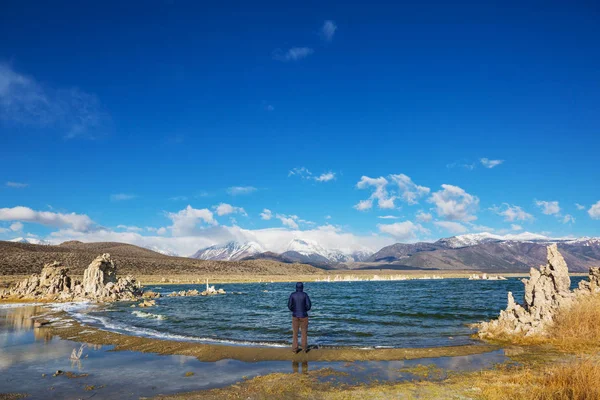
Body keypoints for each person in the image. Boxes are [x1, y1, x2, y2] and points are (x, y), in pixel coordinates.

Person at [287, 282, 312, 353]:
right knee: (304, 332)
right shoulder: (305, 295)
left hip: (295, 316)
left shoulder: (292, 295)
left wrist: (294, 310)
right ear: (302, 287)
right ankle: (304, 349)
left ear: (296, 287)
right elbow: (309, 305)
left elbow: (289, 305)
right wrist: (304, 310)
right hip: (304, 316)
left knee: (295, 333)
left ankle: (295, 349)